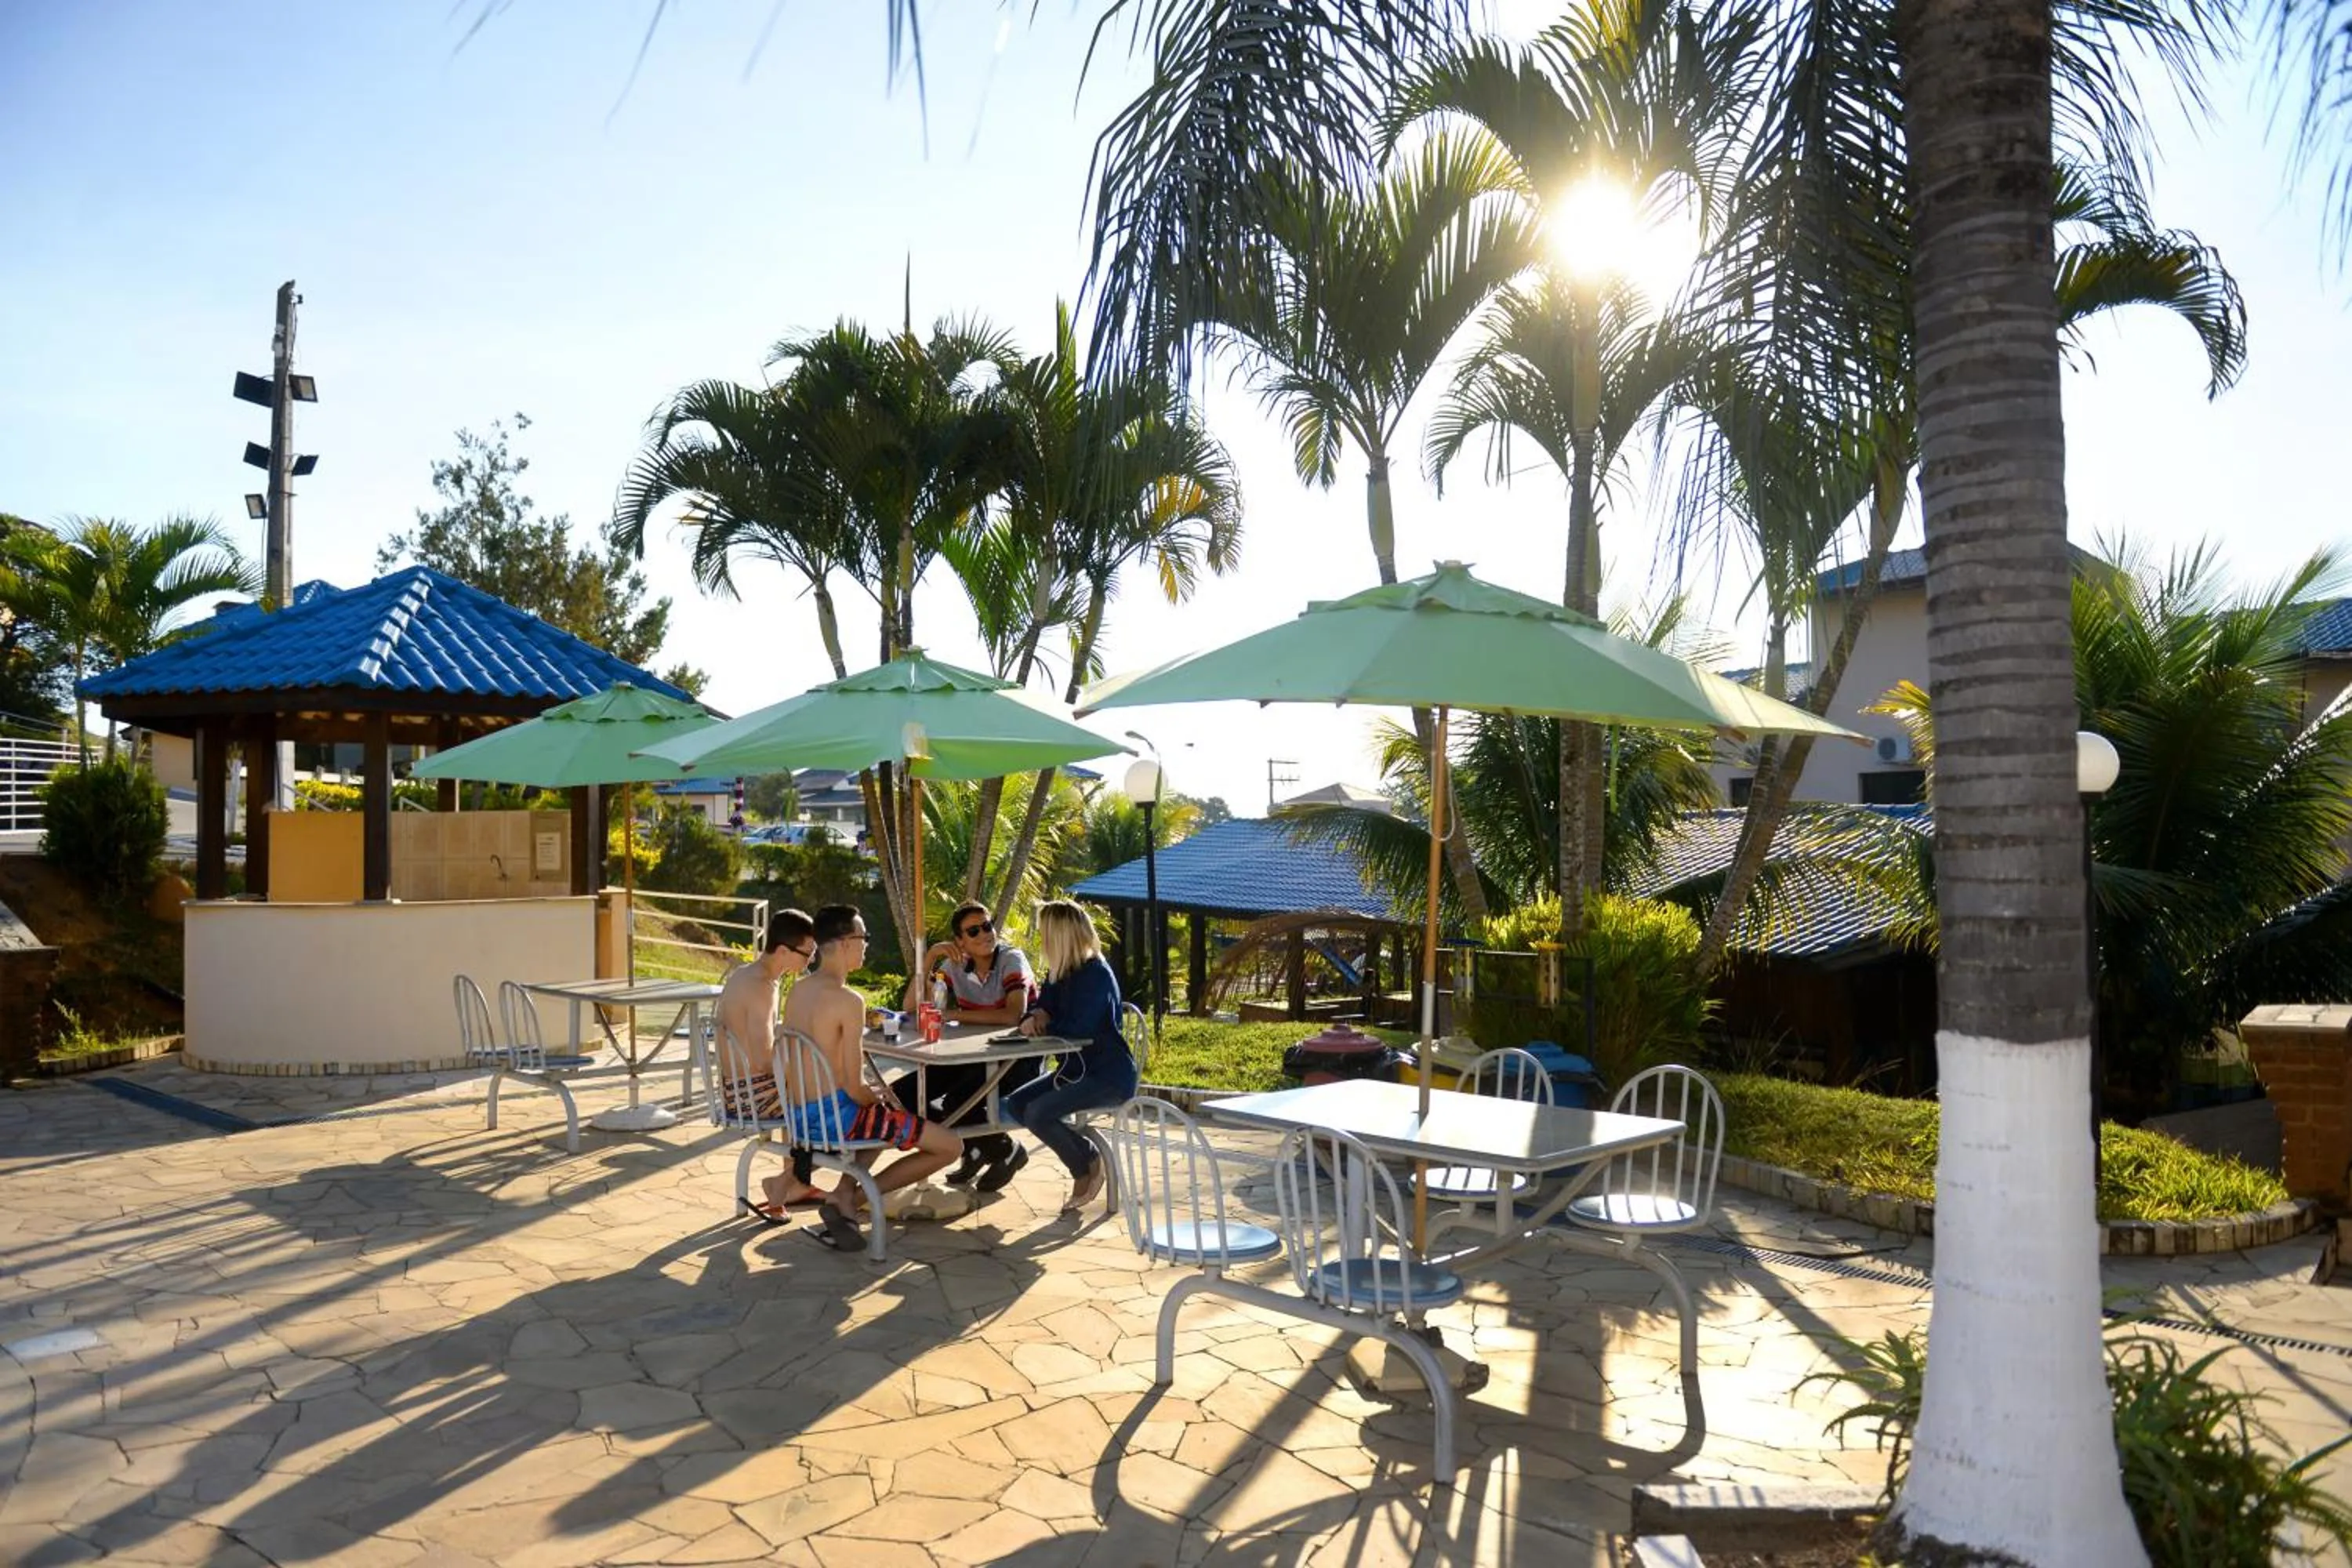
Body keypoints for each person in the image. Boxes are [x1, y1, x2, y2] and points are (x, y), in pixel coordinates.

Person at [780, 904, 964, 1249]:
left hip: (800, 1117)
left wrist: (878, 1101)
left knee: (884, 1114)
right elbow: (853, 1086)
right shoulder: (848, 1001)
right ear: (846, 942)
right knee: (951, 1146)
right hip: (836, 1120)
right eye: (863, 938)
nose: (867, 945)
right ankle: (856, 1197)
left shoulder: (799, 990)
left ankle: (845, 1193)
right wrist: (878, 1098)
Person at [893, 902, 1038, 1192]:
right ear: (959, 942)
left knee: (958, 1102)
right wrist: (931, 957)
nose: (986, 934)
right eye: (974, 931)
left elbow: (1013, 1016)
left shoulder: (1011, 959)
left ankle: (996, 1149)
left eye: (988, 926)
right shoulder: (955, 965)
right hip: (972, 1054)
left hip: (1017, 1058)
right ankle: (978, 1145)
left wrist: (953, 1014)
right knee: (903, 1096)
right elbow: (910, 1006)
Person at [1005, 899, 1137, 1214]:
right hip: (1075, 1071)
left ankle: (1082, 1170)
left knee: (1038, 1113)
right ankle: (1089, 1154)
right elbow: (1043, 1007)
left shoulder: (1096, 974)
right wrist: (1033, 1016)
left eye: (1046, 934)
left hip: (1108, 1076)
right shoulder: (1059, 972)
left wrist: (1044, 1020)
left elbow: (1080, 1027)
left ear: (1061, 936)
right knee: (1017, 1104)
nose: (1042, 941)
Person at [713, 909, 824, 1221]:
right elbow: (763, 1060)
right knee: (827, 1104)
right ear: (785, 951)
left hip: (737, 1087)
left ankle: (795, 1183)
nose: (810, 961)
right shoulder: (762, 986)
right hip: (750, 1095)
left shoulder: (747, 974)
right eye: (809, 953)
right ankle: (789, 1183)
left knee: (809, 1089)